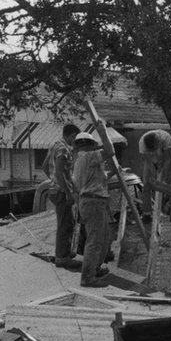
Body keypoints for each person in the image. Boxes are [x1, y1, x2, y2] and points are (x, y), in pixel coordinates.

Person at [71, 126, 114, 288]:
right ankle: (88, 277)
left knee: (102, 238)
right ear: (91, 144)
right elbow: (110, 150)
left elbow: (97, 180)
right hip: (93, 202)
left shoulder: (80, 161)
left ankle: (94, 269)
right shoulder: (90, 156)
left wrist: (116, 173)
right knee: (95, 241)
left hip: (90, 201)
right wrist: (102, 130)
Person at [43, 123, 80, 270]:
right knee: (64, 225)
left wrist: (52, 181)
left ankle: (64, 252)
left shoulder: (54, 145)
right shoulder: (63, 149)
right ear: (71, 135)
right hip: (61, 192)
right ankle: (62, 258)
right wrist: (68, 192)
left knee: (68, 222)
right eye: (75, 138)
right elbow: (59, 173)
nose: (75, 141)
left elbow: (45, 166)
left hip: (55, 189)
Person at [138, 129, 171, 218]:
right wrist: (156, 178)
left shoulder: (166, 138)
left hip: (165, 158)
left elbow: (168, 160)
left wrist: (163, 175)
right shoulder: (142, 143)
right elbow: (149, 163)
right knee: (146, 184)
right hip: (150, 160)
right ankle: (147, 213)